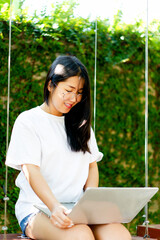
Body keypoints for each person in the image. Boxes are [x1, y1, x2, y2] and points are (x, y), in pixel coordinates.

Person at [6, 55, 131, 240]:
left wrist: (90, 204)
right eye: (68, 90)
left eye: (80, 92)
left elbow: (91, 165)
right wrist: (54, 206)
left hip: (77, 209)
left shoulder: (81, 124)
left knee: (119, 235)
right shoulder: (28, 121)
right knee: (81, 236)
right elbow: (30, 170)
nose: (74, 98)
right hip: (37, 209)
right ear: (50, 85)